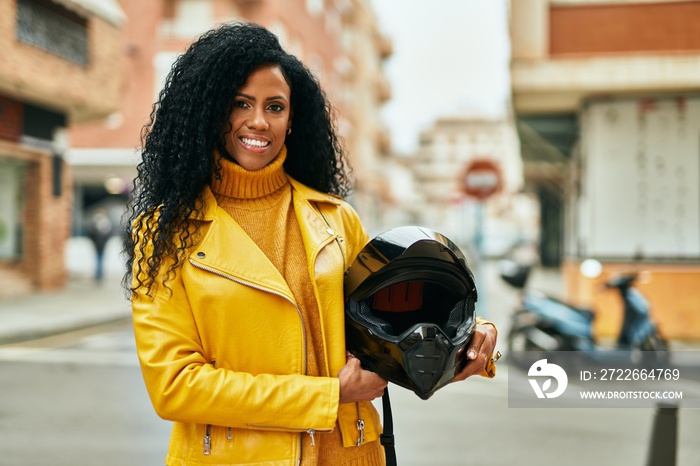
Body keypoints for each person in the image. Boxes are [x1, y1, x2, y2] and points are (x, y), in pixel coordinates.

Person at [123, 22, 498, 466]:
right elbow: (175, 387)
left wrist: (471, 339)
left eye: (275, 106)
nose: (258, 121)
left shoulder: (336, 219)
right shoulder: (163, 233)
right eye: (241, 103)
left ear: (292, 119)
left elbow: (391, 335)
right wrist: (329, 395)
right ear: (209, 110)